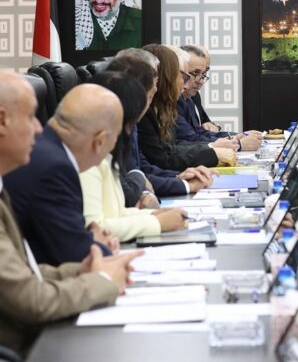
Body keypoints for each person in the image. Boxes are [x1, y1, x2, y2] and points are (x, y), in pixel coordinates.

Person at [0, 72, 142, 355]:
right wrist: (102, 281)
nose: (39, 129)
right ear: (2, 121)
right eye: (30, 117)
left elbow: (21, 275)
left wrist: (80, 271)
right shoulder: (51, 166)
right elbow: (31, 301)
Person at [4, 84, 123, 266]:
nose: (38, 127)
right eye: (30, 117)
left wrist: (87, 237)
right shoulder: (55, 168)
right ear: (100, 141)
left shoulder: (47, 152)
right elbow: (78, 256)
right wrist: (101, 248)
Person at [80, 71, 188, 242]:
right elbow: (95, 229)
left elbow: (115, 213)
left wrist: (155, 215)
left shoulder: (103, 152)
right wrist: (157, 223)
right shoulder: (86, 160)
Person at [106, 53, 213, 207]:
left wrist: (179, 177)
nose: (156, 88)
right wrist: (184, 184)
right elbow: (132, 179)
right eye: (184, 76)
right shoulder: (119, 124)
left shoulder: (132, 121)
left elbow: (142, 169)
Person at [137, 44, 236, 171]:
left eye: (204, 73)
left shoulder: (174, 103)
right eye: (185, 77)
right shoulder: (143, 112)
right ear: (166, 77)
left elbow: (172, 147)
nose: (187, 85)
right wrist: (212, 149)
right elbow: (161, 159)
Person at [176, 45, 262, 150]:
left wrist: (235, 136)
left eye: (204, 73)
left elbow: (199, 132)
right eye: (195, 73)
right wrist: (237, 144)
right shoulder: (173, 100)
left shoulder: (191, 97)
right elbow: (189, 139)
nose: (201, 81)